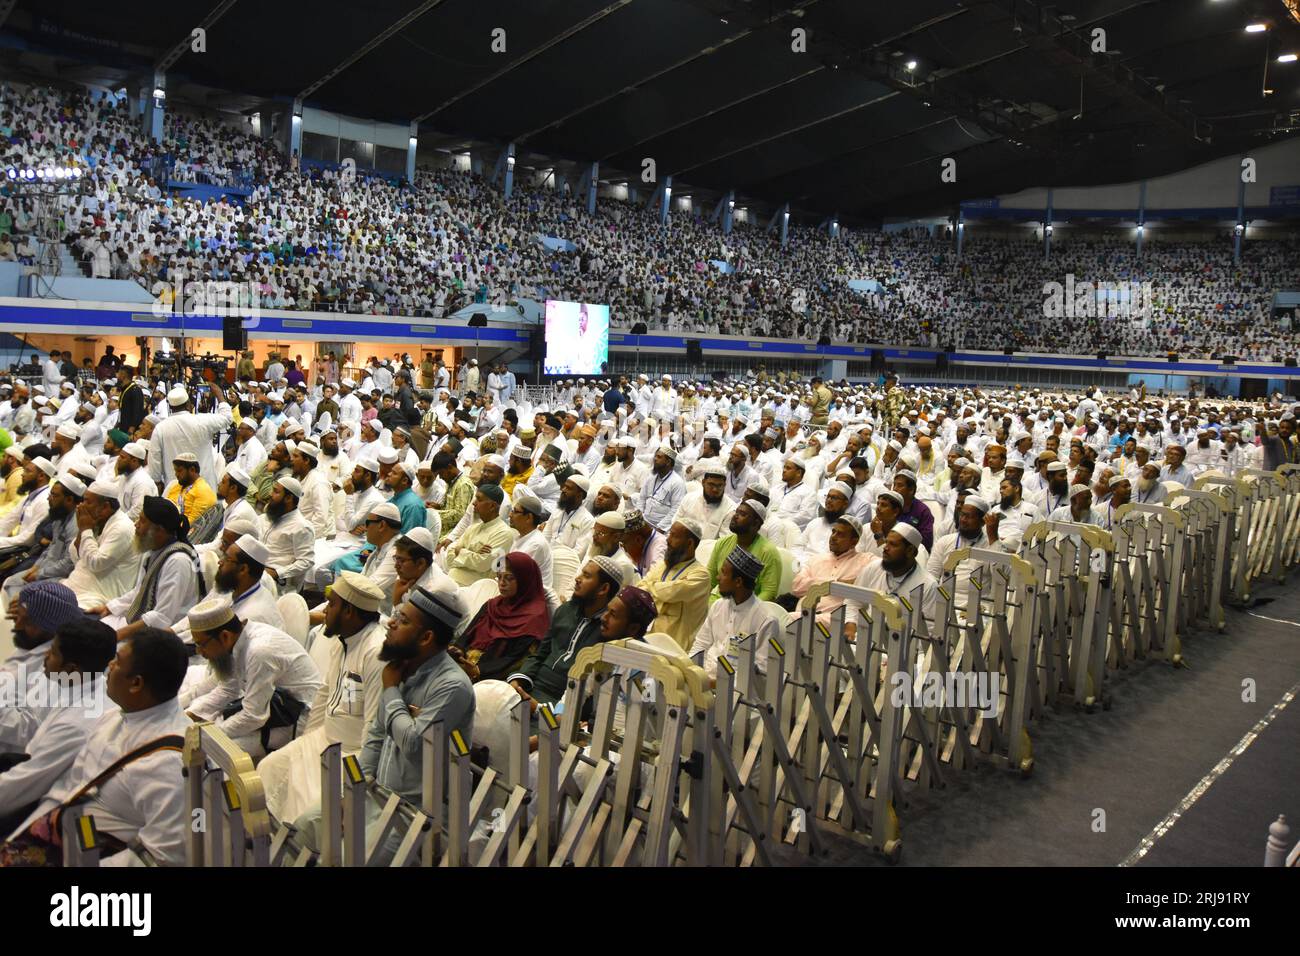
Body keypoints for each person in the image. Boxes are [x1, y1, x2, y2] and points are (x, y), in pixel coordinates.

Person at [0, 627, 192, 867]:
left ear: (136, 684)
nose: (108, 666)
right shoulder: (115, 715)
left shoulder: (169, 764)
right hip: (62, 829)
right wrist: (25, 836)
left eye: (117, 662)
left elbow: (160, 858)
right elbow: (69, 789)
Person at [257, 572, 388, 823]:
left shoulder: (376, 654)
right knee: (268, 769)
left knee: (306, 811)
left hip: (352, 754)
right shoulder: (344, 640)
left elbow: (375, 730)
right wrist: (304, 745)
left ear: (349, 611)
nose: (325, 611)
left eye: (332, 604)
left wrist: (354, 785)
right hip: (323, 738)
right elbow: (324, 696)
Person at [0, 617, 116, 832]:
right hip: (25, 767)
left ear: (71, 667)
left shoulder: (78, 723)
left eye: (52, 652)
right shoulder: (72, 682)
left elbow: (23, 785)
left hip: (40, 803)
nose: (45, 656)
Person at [180, 595, 322, 759]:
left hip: (298, 718)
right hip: (272, 705)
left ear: (224, 636)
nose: (200, 652)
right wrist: (189, 715)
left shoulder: (259, 651)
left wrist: (208, 737)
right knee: (207, 724)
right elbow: (228, 689)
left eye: (201, 645)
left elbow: (254, 717)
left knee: (209, 752)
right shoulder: (238, 639)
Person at [507, 557, 624, 708]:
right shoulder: (566, 610)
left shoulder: (608, 630)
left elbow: (587, 695)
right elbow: (540, 654)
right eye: (581, 573)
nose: (577, 578)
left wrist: (540, 709)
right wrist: (518, 682)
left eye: (587, 576)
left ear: (603, 589)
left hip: (564, 704)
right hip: (531, 687)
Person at [91, 496, 202, 638]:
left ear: (159, 530)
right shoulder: (153, 551)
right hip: (146, 623)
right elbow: (140, 591)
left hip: (166, 635)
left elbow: (162, 617)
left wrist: (117, 636)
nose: (136, 525)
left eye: (142, 521)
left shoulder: (177, 562)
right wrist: (109, 608)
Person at [454, 552, 550, 682]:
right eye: (499, 577)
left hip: (493, 677)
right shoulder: (493, 605)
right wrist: (457, 650)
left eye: (509, 578)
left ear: (525, 579)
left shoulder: (534, 617)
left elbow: (517, 659)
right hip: (465, 665)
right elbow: (466, 635)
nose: (502, 583)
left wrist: (479, 670)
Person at [690, 547, 781, 682]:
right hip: (703, 681)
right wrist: (691, 672)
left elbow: (760, 671)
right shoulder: (718, 606)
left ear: (738, 582)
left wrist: (718, 684)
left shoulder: (766, 620)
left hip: (736, 693)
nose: (718, 577)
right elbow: (700, 645)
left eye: (723, 573)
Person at [637, 517, 711, 651]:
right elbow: (639, 589)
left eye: (674, 536)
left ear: (689, 543)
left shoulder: (701, 575)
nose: (667, 539)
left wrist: (651, 586)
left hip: (676, 646)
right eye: (669, 534)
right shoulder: (663, 565)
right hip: (647, 635)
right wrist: (657, 589)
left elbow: (671, 593)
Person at [789, 514, 874, 628]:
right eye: (833, 532)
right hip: (803, 613)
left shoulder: (866, 561)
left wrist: (814, 583)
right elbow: (797, 587)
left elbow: (882, 573)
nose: (833, 537)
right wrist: (836, 583)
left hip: (836, 621)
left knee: (786, 620)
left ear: (854, 541)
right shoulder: (816, 559)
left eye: (841, 534)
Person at [148, 381, 233, 490]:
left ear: (170, 406)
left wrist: (157, 482)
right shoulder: (202, 421)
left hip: (174, 488)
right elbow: (227, 418)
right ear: (189, 404)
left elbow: (155, 460)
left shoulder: (161, 428)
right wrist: (219, 394)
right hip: (204, 489)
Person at [706, 499, 781, 603]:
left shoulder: (768, 552)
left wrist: (746, 610)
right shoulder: (723, 542)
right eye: (736, 512)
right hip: (716, 602)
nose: (735, 516)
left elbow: (769, 592)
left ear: (756, 523)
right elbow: (710, 579)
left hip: (748, 608)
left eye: (742, 514)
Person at [445, 486, 515, 586]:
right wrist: (473, 552)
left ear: (492, 506)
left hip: (474, 587)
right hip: (452, 578)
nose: (474, 503)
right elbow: (450, 554)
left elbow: (483, 564)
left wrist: (460, 550)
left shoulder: (504, 533)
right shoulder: (473, 528)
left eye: (479, 499)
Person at [260, 476, 315, 590]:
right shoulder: (268, 517)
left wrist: (277, 572)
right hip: (258, 572)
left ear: (288, 498)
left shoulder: (301, 527)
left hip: (278, 582)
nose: (270, 494)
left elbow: (306, 561)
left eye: (276, 491)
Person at [164, 452, 217, 525]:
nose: (176, 474)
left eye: (179, 471)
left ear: (192, 470)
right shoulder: (177, 486)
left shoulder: (203, 491)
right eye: (175, 471)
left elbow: (192, 526)